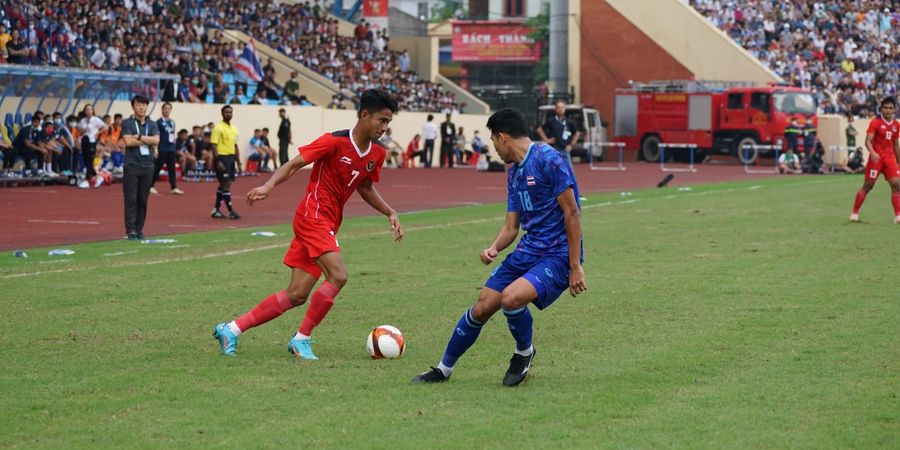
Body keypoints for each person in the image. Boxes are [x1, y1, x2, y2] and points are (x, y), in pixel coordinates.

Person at [212, 89, 405, 360]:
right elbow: (294, 164)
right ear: (364, 115)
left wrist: (389, 211)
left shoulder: (376, 154)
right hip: (312, 217)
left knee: (296, 294)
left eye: (388, 122)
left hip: (328, 223)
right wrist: (269, 185)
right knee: (338, 276)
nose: (385, 127)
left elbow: (365, 185)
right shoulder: (333, 142)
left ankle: (231, 329)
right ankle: (301, 339)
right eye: (381, 120)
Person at [412, 108, 586, 386]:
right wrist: (493, 247)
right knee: (482, 307)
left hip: (557, 254)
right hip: (527, 251)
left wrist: (575, 266)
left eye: (493, 141)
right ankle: (443, 370)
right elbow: (511, 227)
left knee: (511, 299)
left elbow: (572, 213)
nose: (493, 149)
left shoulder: (548, 159)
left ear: (503, 137)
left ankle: (524, 353)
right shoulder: (514, 172)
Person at [850, 97, 900, 223]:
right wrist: (872, 152)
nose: (888, 110)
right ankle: (855, 212)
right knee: (868, 185)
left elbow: (895, 144)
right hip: (876, 159)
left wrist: (898, 161)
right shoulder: (875, 123)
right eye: (885, 108)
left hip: (889, 159)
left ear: (894, 110)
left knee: (896, 185)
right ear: (881, 108)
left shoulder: (896, 125)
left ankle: (898, 216)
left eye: (890, 108)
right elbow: (867, 141)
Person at [119, 95, 160, 240]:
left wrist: (140, 137)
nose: (141, 107)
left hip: (148, 166)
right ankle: (130, 231)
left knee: (143, 199)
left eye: (144, 105)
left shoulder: (153, 124)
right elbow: (128, 142)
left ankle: (139, 229)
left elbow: (156, 140)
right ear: (133, 106)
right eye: (138, 104)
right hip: (132, 166)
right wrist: (146, 141)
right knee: (131, 199)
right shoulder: (127, 122)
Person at [209, 104, 242, 220]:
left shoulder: (234, 128)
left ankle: (216, 210)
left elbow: (235, 145)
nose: (228, 114)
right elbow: (213, 144)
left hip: (231, 158)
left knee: (224, 184)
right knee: (226, 184)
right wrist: (217, 160)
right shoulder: (218, 127)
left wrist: (238, 162)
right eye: (226, 112)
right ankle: (230, 211)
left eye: (230, 112)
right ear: (222, 113)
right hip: (222, 158)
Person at [151, 102, 184, 195]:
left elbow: (173, 134)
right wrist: (156, 148)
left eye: (169, 108)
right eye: (165, 108)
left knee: (172, 169)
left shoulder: (172, 122)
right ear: (162, 110)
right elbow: (156, 136)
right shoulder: (158, 122)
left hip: (171, 149)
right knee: (158, 168)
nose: (167, 110)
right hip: (162, 148)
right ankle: (151, 186)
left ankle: (174, 187)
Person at [537, 100, 581, 168]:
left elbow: (577, 133)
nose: (561, 109)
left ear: (565, 109)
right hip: (554, 149)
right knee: (553, 169)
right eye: (559, 107)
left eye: (562, 107)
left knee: (569, 170)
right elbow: (539, 130)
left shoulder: (569, 122)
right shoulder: (551, 121)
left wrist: (571, 145)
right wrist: (547, 140)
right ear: (555, 109)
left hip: (565, 149)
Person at [77, 104, 109, 188]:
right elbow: (79, 131)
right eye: (87, 109)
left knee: (90, 160)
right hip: (84, 141)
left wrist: (97, 133)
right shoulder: (83, 120)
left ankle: (87, 180)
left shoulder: (96, 119)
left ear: (93, 111)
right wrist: (82, 131)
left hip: (92, 141)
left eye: (90, 109)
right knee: (86, 159)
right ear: (84, 111)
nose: (88, 111)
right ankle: (98, 177)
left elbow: (105, 127)